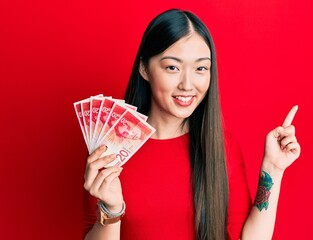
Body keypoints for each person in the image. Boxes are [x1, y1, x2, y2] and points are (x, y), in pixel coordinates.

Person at [83, 9, 301, 240]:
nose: (187, 85)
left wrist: (273, 169)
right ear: (144, 69)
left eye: (200, 68)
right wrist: (112, 210)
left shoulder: (221, 146)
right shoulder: (109, 149)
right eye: (172, 67)